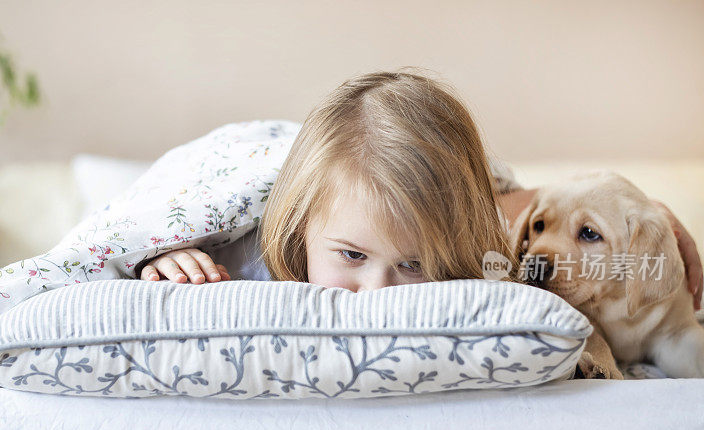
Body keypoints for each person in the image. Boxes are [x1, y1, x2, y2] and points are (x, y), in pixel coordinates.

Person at [139, 69, 703, 308]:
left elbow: (523, 215)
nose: (379, 293)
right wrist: (163, 258)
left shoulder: (478, 247)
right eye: (352, 255)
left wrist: (631, 213)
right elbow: (115, 251)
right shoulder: (238, 254)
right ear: (299, 231)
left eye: (413, 264)